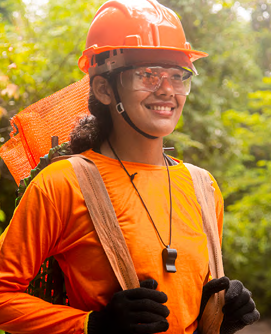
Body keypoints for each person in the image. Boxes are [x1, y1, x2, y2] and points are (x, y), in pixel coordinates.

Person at [0, 0, 260, 333]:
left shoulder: (202, 186)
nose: (167, 90)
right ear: (104, 89)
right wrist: (92, 325)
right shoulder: (63, 184)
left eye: (178, 76)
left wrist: (220, 315)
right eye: (149, 75)